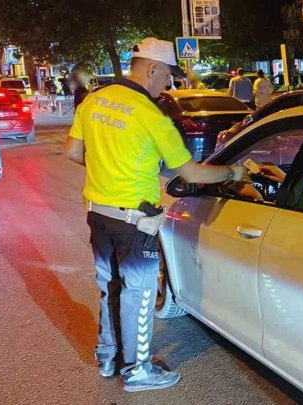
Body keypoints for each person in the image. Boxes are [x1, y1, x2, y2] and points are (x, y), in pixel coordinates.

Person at [62, 37, 252, 393]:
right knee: (140, 294)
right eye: (167, 74)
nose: (168, 83)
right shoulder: (151, 115)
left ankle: (108, 357)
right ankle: (137, 371)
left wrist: (108, 169)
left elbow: (72, 151)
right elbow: (191, 172)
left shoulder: (94, 100)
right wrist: (234, 173)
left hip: (99, 215)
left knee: (111, 287)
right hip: (134, 221)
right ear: (152, 68)